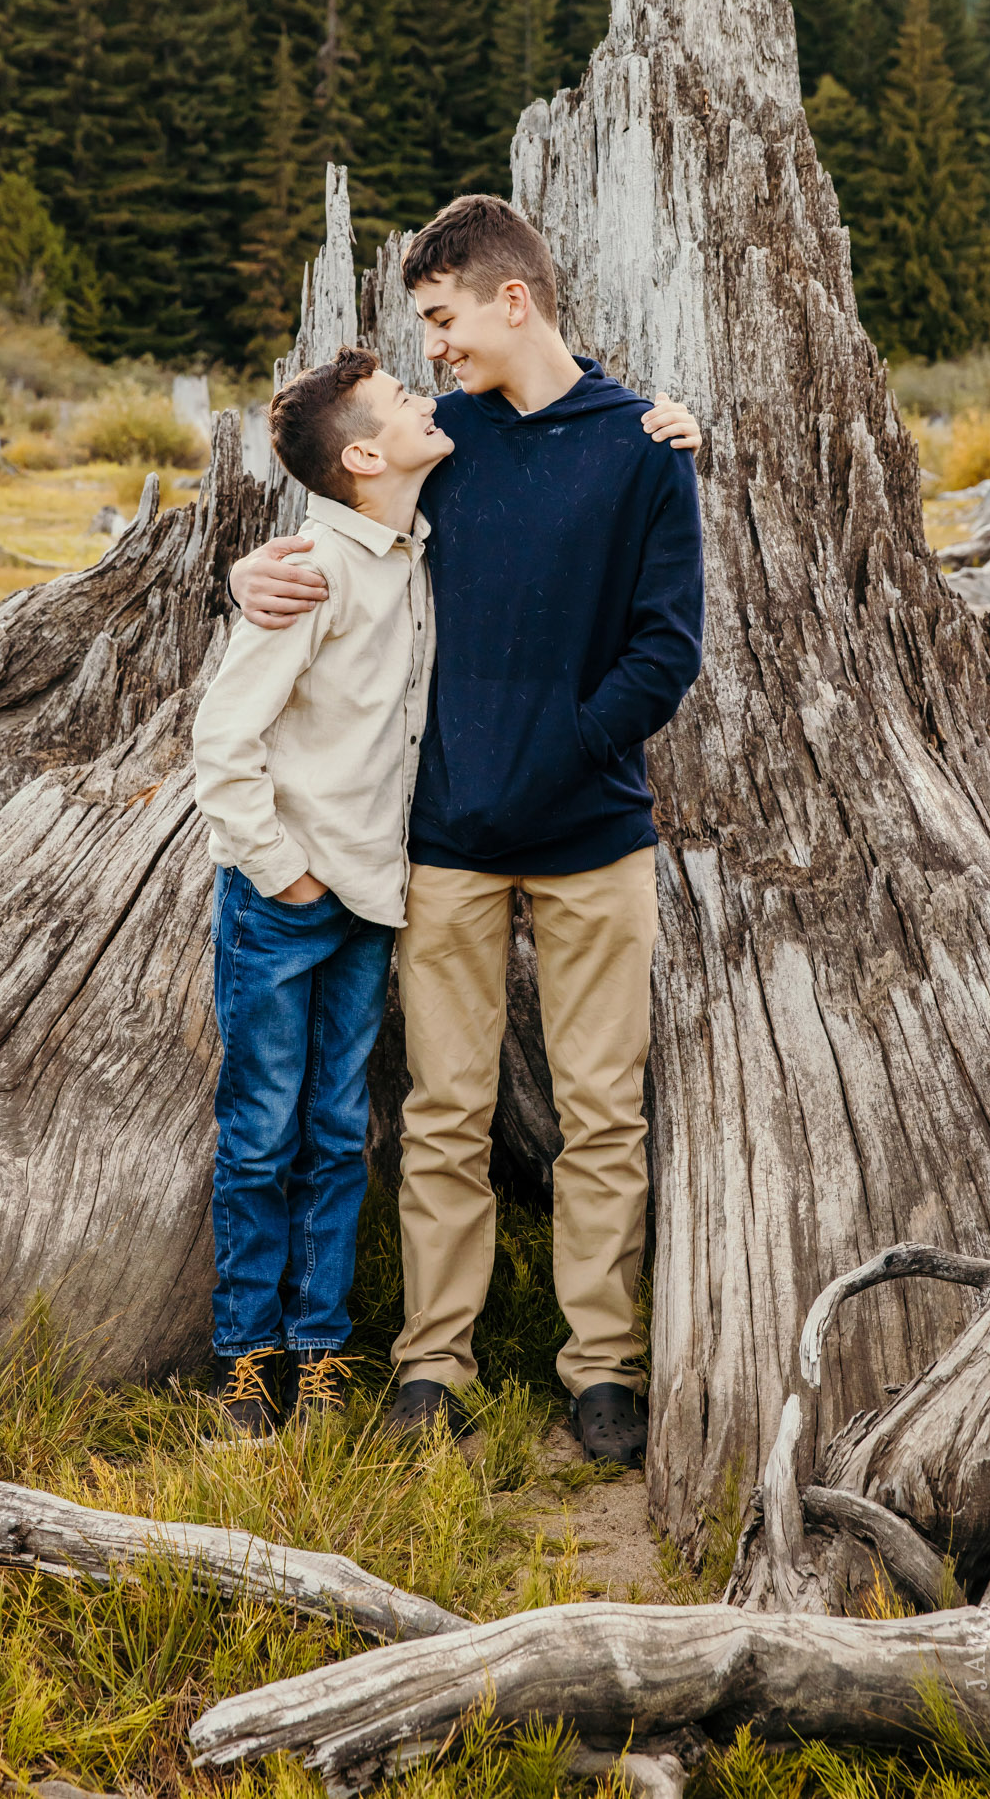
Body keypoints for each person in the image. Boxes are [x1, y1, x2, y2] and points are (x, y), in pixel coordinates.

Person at [229, 193, 703, 1468]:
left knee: (603, 1115)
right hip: (441, 838)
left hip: (597, 834)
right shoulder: (446, 446)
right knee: (444, 1114)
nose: (431, 350)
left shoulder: (645, 447)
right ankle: (430, 1362)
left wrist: (562, 749)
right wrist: (248, 574)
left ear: (512, 299)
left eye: (441, 319)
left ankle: (600, 1367)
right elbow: (343, 515)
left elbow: (667, 650)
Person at [192, 348, 452, 1437]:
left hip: (369, 900)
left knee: (340, 1131)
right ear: (359, 453)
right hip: (285, 902)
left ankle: (320, 1347)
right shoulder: (313, 565)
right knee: (260, 1129)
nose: (425, 400)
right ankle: (244, 1355)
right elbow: (222, 735)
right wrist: (281, 870)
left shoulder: (415, 544)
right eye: (402, 399)